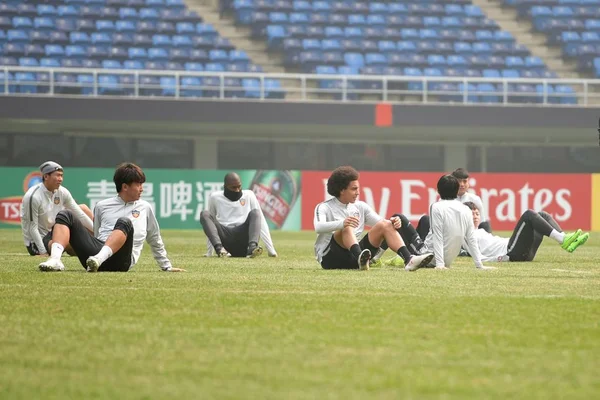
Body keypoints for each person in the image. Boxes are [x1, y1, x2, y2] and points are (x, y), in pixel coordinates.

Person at [38, 162, 183, 273]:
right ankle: (55, 260)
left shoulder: (145, 207)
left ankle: (98, 259)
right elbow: (97, 233)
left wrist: (167, 266)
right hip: (94, 254)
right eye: (138, 184)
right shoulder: (102, 205)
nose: (142, 188)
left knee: (124, 222)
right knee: (65, 214)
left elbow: (154, 238)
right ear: (125, 187)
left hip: (121, 261)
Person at [313, 166, 434, 270]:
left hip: (353, 258)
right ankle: (361, 258)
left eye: (358, 188)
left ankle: (409, 260)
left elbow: (381, 223)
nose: (358, 192)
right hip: (330, 259)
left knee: (385, 225)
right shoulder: (324, 207)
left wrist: (393, 222)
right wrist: (342, 223)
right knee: (347, 227)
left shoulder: (360, 206)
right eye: (354, 189)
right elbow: (318, 227)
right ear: (342, 190)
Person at [395, 174, 494, 271]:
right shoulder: (466, 209)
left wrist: (440, 264)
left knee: (397, 218)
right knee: (425, 220)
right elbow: (471, 238)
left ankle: (401, 258)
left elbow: (437, 236)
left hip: (427, 256)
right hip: (448, 259)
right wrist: (479, 264)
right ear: (456, 191)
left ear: (438, 190)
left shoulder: (436, 207)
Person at [463, 202, 589, 262]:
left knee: (542, 215)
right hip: (511, 253)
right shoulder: (466, 235)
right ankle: (563, 239)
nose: (475, 216)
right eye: (471, 213)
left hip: (523, 252)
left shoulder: (480, 230)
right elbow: (467, 252)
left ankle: (565, 239)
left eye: (477, 213)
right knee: (529, 214)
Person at [21, 161, 93, 257]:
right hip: (38, 242)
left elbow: (80, 215)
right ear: (46, 177)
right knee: (75, 243)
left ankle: (101, 243)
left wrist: (98, 233)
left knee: (83, 208)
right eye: (57, 175)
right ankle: (86, 249)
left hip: (55, 231)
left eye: (61, 176)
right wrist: (43, 252)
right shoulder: (33, 196)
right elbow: (32, 228)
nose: (60, 179)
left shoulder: (62, 192)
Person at [200, 172, 277, 258]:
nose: (237, 190)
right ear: (225, 187)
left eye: (239, 186)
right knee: (205, 214)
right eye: (233, 187)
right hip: (225, 236)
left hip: (243, 236)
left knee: (256, 213)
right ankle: (220, 250)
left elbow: (261, 221)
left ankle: (252, 248)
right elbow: (211, 226)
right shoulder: (214, 197)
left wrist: (271, 250)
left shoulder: (249, 195)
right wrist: (209, 252)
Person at [452, 167, 492, 233]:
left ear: (468, 183)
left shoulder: (475, 199)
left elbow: (482, 222)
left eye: (465, 181)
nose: (462, 184)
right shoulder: (445, 200)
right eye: (459, 181)